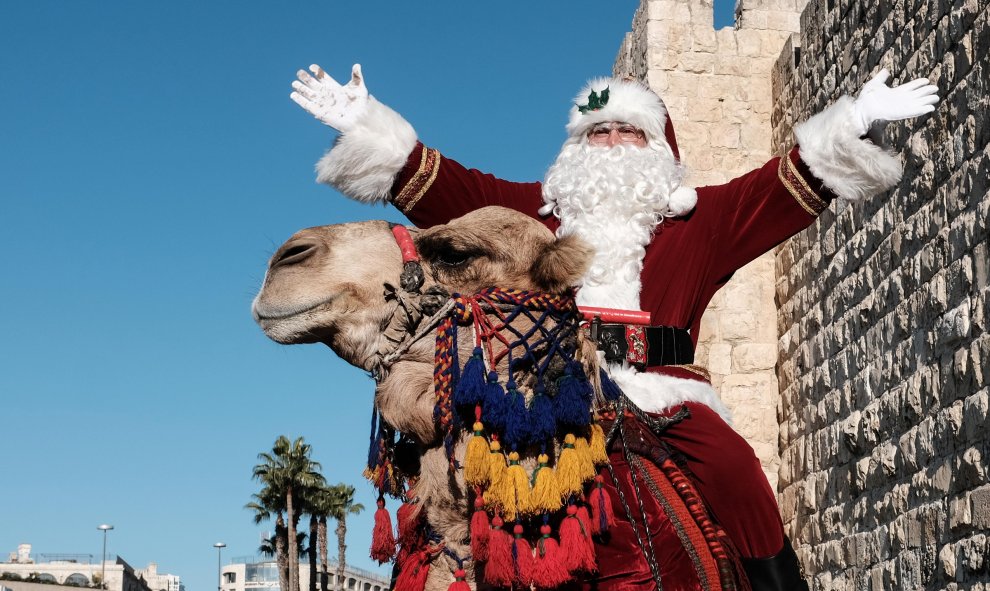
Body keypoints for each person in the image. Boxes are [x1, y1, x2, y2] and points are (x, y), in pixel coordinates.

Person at [289, 63, 937, 590]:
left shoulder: (704, 220)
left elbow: (787, 180)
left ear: (659, 146)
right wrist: (369, 127)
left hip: (661, 392)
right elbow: (450, 193)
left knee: (733, 464)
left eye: (628, 132)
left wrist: (852, 118)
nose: (611, 145)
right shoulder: (533, 212)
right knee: (449, 495)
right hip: (550, 390)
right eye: (597, 133)